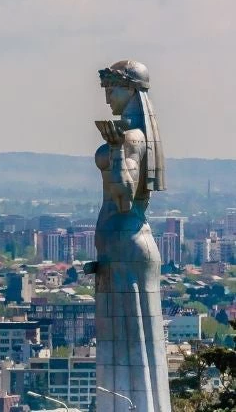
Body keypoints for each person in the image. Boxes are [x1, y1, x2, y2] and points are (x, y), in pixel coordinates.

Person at [89, 60, 171, 412]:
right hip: (119, 251)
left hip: (128, 246)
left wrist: (119, 149)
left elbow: (124, 194)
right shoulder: (129, 134)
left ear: (132, 91)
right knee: (125, 345)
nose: (108, 95)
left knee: (131, 345)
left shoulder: (132, 137)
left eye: (114, 87)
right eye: (106, 87)